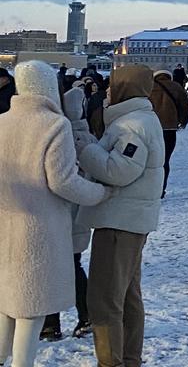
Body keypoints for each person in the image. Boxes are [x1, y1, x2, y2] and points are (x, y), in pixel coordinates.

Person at [0, 62, 109, 367]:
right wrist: (99, 193)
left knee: (6, 302)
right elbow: (62, 181)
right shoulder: (53, 124)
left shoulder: (2, 121)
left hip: (6, 223)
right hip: (40, 229)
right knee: (31, 309)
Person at [76, 63, 165, 367]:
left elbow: (119, 170)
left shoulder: (133, 125)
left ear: (126, 88)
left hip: (119, 222)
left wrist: (85, 149)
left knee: (104, 300)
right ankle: (128, 359)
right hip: (129, 220)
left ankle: (113, 362)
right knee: (127, 297)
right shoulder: (138, 120)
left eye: (113, 85)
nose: (107, 91)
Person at [43, 82, 98, 341]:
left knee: (51, 270)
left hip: (58, 213)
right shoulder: (88, 137)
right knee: (73, 266)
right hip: (78, 216)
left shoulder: (58, 136)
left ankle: (51, 323)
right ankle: (85, 317)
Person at [148, 68, 188, 196]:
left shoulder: (149, 87)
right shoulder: (176, 87)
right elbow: (185, 105)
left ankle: (151, 187)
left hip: (152, 128)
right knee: (165, 160)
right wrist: (182, 121)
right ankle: (162, 188)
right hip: (170, 128)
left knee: (151, 160)